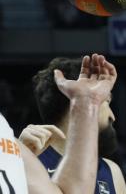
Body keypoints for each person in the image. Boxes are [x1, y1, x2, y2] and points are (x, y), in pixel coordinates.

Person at [0, 53, 117, 193]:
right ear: (70, 100)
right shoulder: (25, 155)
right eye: (107, 102)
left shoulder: (111, 170)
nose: (113, 116)